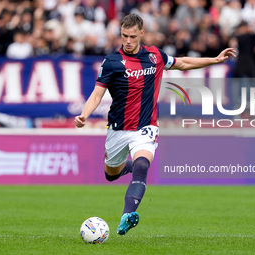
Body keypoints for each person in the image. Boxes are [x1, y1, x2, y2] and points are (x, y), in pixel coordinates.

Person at [74, 13, 236, 236]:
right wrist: (84, 115)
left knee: (142, 166)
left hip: (146, 127)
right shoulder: (111, 62)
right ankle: (127, 169)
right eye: (124, 36)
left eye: (132, 36)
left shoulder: (154, 56)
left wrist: (215, 60)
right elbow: (97, 94)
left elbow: (183, 63)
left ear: (142, 33)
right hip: (118, 129)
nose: (128, 41)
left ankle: (126, 215)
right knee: (111, 174)